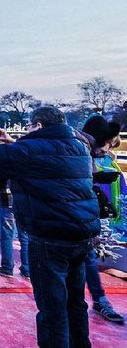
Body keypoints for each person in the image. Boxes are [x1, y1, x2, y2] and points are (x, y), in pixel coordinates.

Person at [0, 106, 100, 348]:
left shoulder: (28, 152)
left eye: (30, 126)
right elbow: (45, 157)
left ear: (38, 126)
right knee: (75, 303)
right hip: (81, 235)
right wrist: (14, 142)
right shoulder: (80, 147)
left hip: (49, 237)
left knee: (53, 310)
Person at [79, 115, 124, 324]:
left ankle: (98, 300)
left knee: (87, 259)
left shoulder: (89, 156)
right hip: (69, 223)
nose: (107, 150)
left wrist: (96, 179)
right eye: (106, 144)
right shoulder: (78, 152)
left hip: (83, 222)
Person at [0, 173, 30, 278]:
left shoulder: (3, 159)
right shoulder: (28, 159)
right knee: (24, 236)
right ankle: (27, 269)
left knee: (7, 234)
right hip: (24, 201)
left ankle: (7, 267)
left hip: (7, 199)